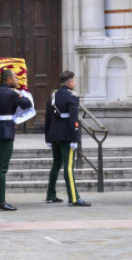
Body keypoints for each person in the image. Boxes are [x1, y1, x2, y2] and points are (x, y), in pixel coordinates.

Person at [0, 69, 33, 211]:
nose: (18, 81)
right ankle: (0, 201)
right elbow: (27, 103)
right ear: (9, 80)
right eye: (16, 78)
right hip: (4, 132)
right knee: (1, 168)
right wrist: (20, 92)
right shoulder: (11, 93)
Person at [45, 70, 91, 207]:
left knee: (56, 164)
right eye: (74, 81)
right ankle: (74, 198)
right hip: (66, 135)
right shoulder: (72, 96)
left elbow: (48, 118)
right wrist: (75, 138)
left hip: (54, 135)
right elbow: (73, 120)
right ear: (70, 82)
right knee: (68, 166)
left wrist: (47, 137)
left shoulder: (53, 96)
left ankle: (50, 194)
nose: (75, 83)